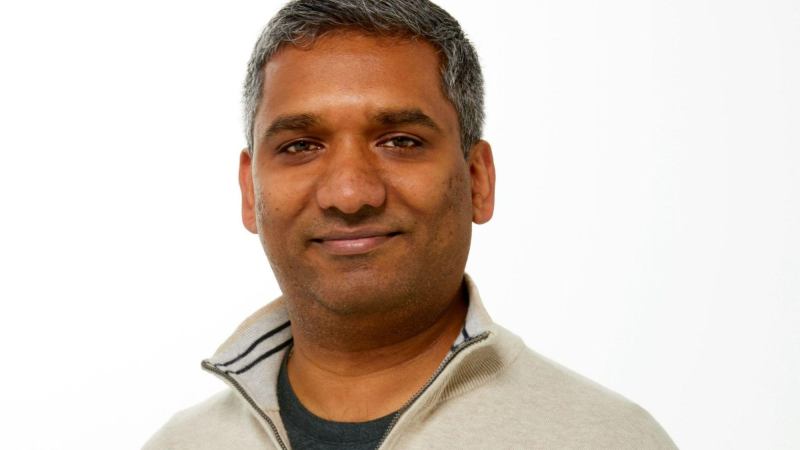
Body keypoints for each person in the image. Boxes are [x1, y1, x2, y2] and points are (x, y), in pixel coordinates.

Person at [144, 0, 676, 448]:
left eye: (400, 141)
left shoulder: (608, 440)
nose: (349, 194)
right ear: (249, 191)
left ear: (478, 180)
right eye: (301, 146)